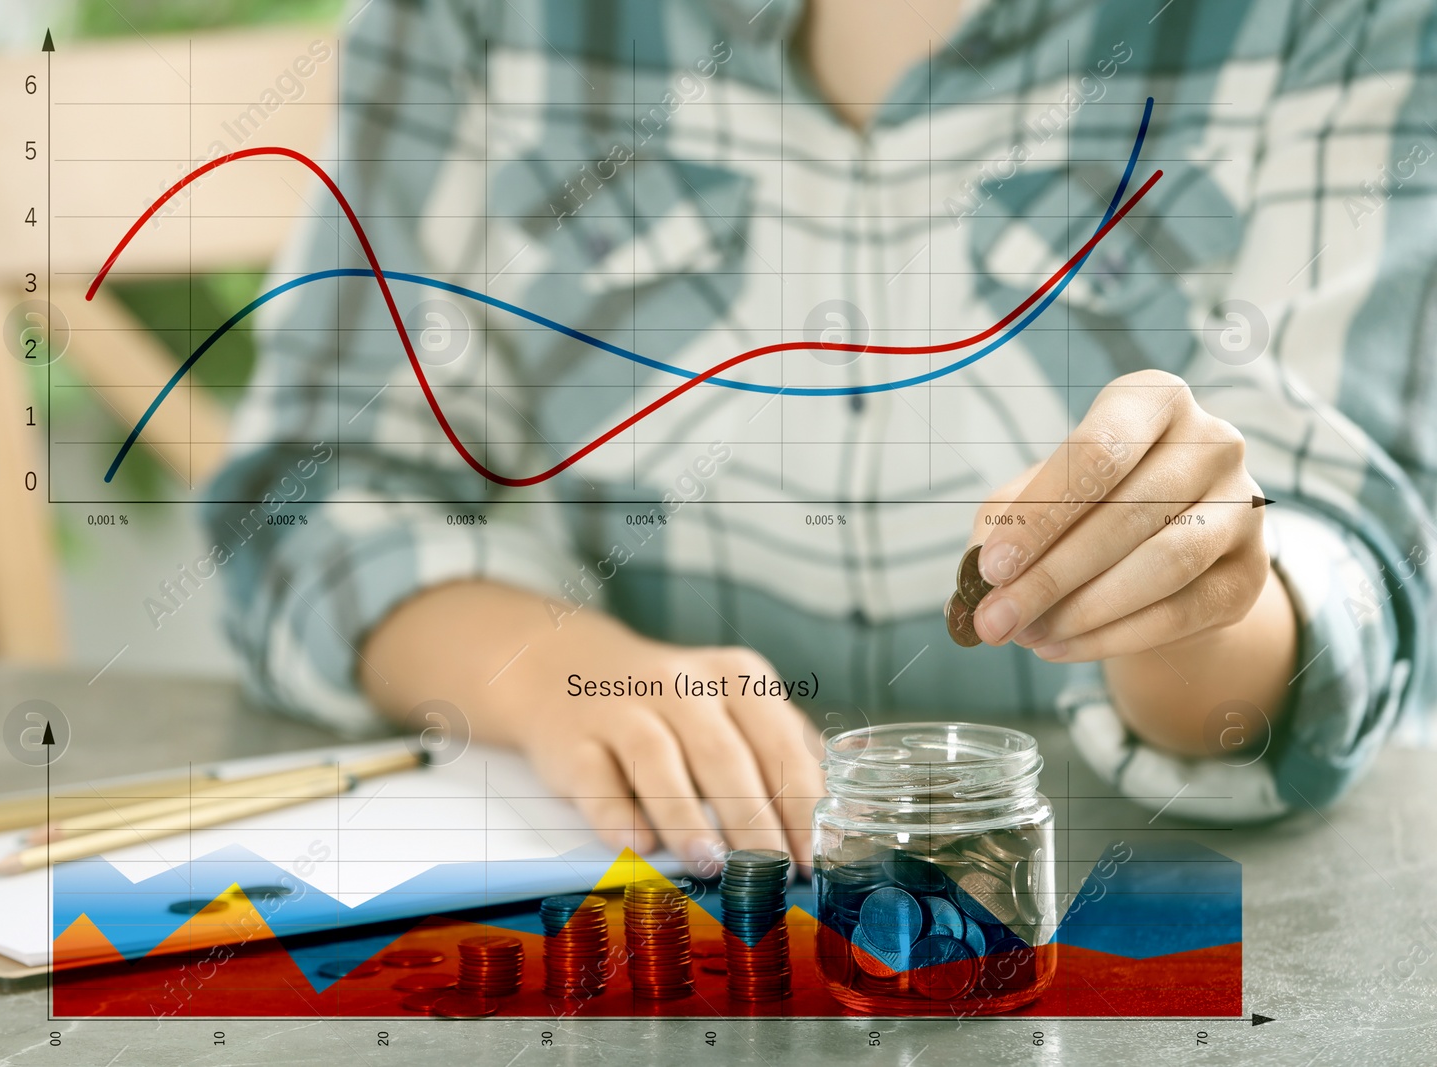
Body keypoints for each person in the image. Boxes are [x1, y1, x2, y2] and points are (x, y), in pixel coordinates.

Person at [206, 0, 1435, 871]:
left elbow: (1354, 588)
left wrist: (1197, 596)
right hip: (668, 862)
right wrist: (549, 672)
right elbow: (310, 495)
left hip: (1176, 874)